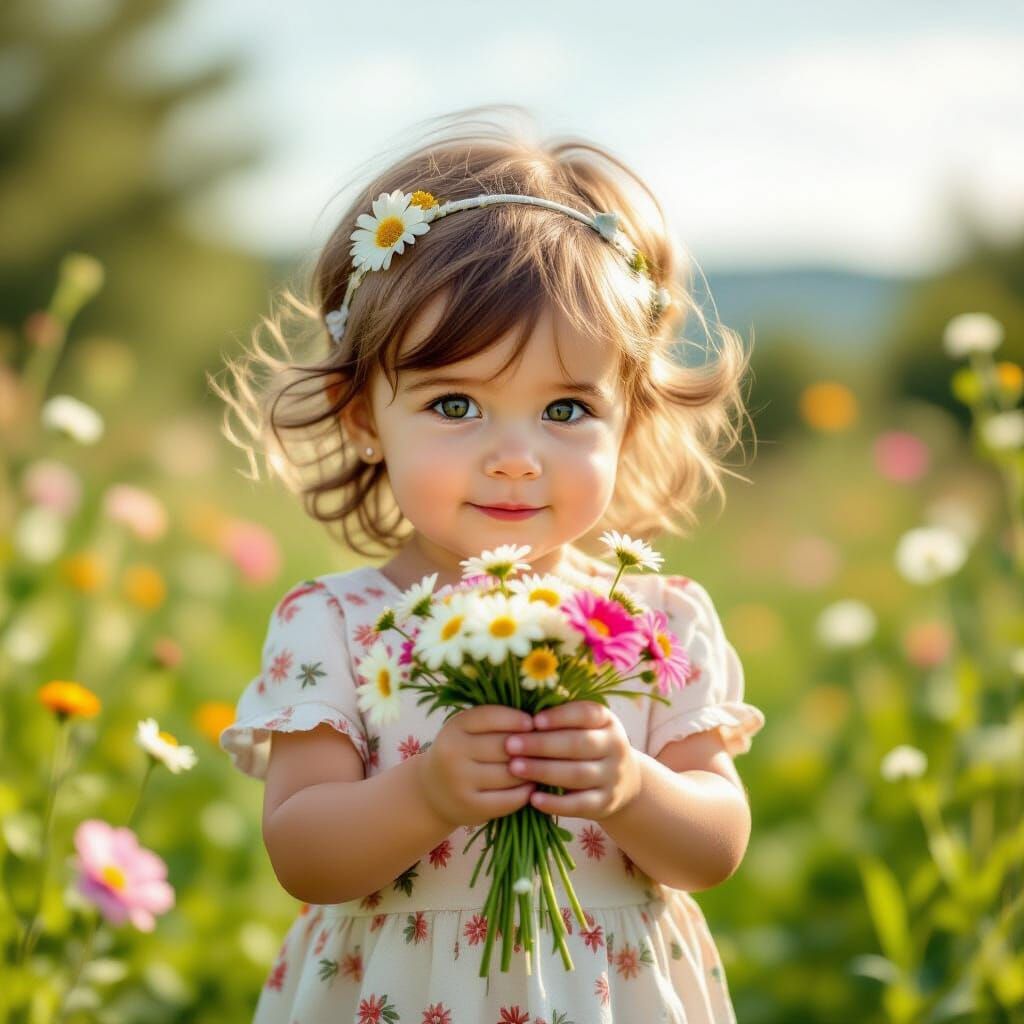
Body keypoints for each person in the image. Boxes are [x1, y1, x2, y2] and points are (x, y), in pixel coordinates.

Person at [213, 103, 767, 1024]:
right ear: (362, 417)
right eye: (456, 405)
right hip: (399, 992)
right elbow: (304, 853)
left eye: (564, 412)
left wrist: (634, 786)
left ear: (628, 416)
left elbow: (712, 847)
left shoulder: (657, 619)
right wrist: (424, 792)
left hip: (603, 994)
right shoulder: (336, 624)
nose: (516, 456)